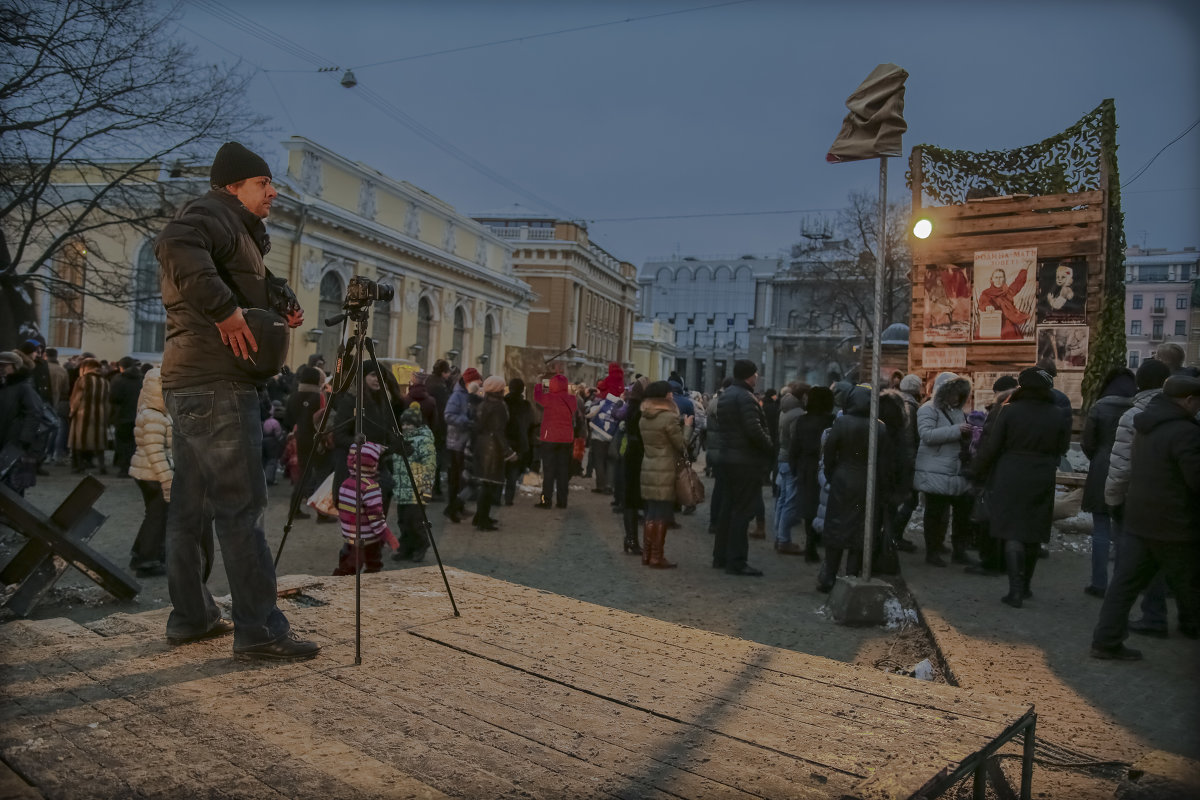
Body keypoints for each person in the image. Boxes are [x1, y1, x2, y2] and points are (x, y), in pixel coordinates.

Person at [154, 140, 317, 660]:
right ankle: (260, 630)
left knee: (190, 508)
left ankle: (192, 617)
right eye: (263, 184)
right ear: (232, 186)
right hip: (217, 382)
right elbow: (176, 245)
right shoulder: (207, 213)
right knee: (240, 508)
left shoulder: (239, 232)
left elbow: (241, 278)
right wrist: (227, 312)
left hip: (194, 379)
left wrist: (279, 296)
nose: (273, 192)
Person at [1091, 375, 1200, 659]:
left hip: (1139, 518)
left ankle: (1106, 641)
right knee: (1191, 588)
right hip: (1175, 524)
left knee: (1124, 585)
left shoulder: (1145, 425)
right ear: (1189, 400)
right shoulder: (1186, 432)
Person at [971, 367, 1070, 608]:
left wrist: (977, 471)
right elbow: (1063, 447)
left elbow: (993, 445)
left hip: (1010, 472)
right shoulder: (1058, 414)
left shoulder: (1009, 410)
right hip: (1042, 474)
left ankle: (1014, 589)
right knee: (1033, 531)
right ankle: (1025, 588)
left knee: (1012, 529)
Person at [1103, 358, 1173, 636]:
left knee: (1129, 567)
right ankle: (1171, 618)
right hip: (1174, 502)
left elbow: (1121, 466)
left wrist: (1113, 501)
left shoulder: (1134, 416)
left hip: (1138, 501)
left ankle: (1114, 630)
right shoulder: (1186, 413)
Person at [818, 385, 892, 590]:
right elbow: (884, 462)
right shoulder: (880, 427)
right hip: (868, 483)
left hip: (843, 480)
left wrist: (832, 475)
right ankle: (850, 576)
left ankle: (828, 576)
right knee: (861, 530)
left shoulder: (841, 422)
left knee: (836, 526)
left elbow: (829, 452)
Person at [1080, 367, 1136, 598]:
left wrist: (1099, 457)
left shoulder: (1099, 407)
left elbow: (1087, 442)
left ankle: (1099, 583)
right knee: (1123, 531)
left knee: (1101, 529)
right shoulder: (1137, 408)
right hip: (1131, 470)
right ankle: (1122, 585)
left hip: (1102, 468)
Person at [713, 360, 772, 576]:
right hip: (745, 461)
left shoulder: (727, 394)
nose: (757, 378)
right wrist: (769, 445)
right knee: (742, 511)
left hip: (728, 458)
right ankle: (736, 560)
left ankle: (720, 555)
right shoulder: (746, 397)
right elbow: (754, 430)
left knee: (727, 508)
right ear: (750, 376)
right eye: (756, 374)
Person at [914, 372, 974, 566]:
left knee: (962, 513)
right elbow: (926, 435)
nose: (956, 397)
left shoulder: (957, 411)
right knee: (935, 513)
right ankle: (932, 551)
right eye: (953, 392)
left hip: (955, 470)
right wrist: (958, 431)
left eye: (959, 393)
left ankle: (959, 550)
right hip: (936, 471)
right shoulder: (927, 409)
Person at [126, 368, 173, 577]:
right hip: (153, 474)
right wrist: (167, 480)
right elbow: (156, 454)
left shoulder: (149, 412)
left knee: (153, 515)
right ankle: (147, 560)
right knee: (158, 516)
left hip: (145, 472)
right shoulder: (154, 416)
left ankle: (141, 553)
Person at [638, 381, 687, 569]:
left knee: (651, 513)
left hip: (649, 466)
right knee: (662, 514)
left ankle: (647, 554)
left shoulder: (644, 417)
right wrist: (688, 427)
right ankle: (657, 556)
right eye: (670, 393)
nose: (672, 396)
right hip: (665, 468)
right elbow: (681, 444)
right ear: (664, 396)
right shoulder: (668, 418)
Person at [333, 442, 399, 575]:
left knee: (349, 563)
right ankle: (369, 590)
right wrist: (388, 537)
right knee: (372, 566)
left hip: (350, 536)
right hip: (368, 539)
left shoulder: (346, 483)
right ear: (374, 465)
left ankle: (339, 584)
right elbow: (376, 519)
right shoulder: (370, 487)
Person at [790, 386, 835, 563]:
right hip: (826, 468)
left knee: (809, 509)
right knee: (825, 507)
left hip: (806, 468)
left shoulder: (802, 421)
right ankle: (822, 543)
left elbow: (795, 447)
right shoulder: (831, 421)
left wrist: (795, 468)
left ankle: (810, 546)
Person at [391, 403, 437, 562]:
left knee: (416, 521)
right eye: (403, 424)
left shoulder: (423, 440)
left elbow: (429, 465)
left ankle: (421, 545)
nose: (406, 427)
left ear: (417, 424)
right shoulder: (401, 440)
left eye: (409, 423)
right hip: (402, 488)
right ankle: (406, 547)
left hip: (417, 489)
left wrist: (425, 486)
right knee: (403, 521)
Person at [472, 376, 516, 531]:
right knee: (488, 485)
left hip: (482, 445)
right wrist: (508, 452)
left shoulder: (483, 404)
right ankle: (483, 520)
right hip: (492, 449)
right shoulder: (499, 406)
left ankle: (481, 516)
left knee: (485, 484)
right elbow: (498, 431)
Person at [0, 351, 46, 493]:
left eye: (4, 365)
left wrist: (24, 439)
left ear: (15, 367)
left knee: (13, 486)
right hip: (3, 441)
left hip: (14, 444)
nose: (0, 368)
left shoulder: (24, 387)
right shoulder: (3, 386)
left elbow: (34, 413)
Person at [891, 374, 924, 552]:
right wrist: (912, 461)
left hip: (897, 459)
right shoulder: (911, 407)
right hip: (906, 460)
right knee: (910, 499)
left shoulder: (896, 401)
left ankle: (892, 534)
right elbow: (909, 438)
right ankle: (895, 535)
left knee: (901, 498)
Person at [443, 366, 481, 522]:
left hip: (464, 442)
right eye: (477, 381)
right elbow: (448, 415)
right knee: (456, 478)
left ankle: (458, 507)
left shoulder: (468, 395)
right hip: (456, 443)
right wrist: (467, 422)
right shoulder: (457, 396)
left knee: (462, 478)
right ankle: (452, 509)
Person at [534, 372, 576, 509]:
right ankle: (562, 501)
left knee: (548, 471)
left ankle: (545, 500)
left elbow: (537, 395)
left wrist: (542, 382)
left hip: (549, 438)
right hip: (566, 439)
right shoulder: (571, 399)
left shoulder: (549, 398)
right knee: (563, 471)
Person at [618, 378, 649, 556]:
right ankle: (634, 541)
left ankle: (630, 539)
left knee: (630, 499)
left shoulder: (630, 407)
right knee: (638, 498)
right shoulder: (643, 410)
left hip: (630, 452)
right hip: (640, 453)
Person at [772, 390, 805, 555]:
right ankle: (784, 539)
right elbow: (796, 440)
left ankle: (779, 536)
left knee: (782, 499)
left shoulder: (783, 413)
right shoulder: (797, 415)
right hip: (791, 461)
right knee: (790, 501)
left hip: (782, 458)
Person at [68, 357, 109, 474]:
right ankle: (102, 466)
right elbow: (107, 401)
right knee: (99, 441)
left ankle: (79, 466)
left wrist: (72, 411)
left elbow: (76, 398)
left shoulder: (82, 380)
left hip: (83, 415)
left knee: (79, 440)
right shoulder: (104, 382)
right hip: (100, 415)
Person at [108, 356, 143, 477]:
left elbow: (113, 398)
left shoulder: (118, 379)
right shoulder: (142, 379)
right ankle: (134, 467)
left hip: (122, 415)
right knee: (134, 443)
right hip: (139, 415)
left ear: (121, 367)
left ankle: (124, 467)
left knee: (122, 443)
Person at [502, 378, 534, 506]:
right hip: (520, 442)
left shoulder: (503, 402)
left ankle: (496, 496)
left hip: (504, 441)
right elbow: (531, 423)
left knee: (500, 469)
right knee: (513, 473)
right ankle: (509, 498)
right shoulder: (526, 405)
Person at [424, 359, 452, 499]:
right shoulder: (440, 387)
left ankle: (429, 488)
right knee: (436, 459)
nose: (449, 376)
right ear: (443, 372)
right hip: (437, 427)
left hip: (429, 425)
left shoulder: (429, 381)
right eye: (448, 373)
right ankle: (434, 490)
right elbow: (443, 410)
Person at [977, 267, 1030, 340]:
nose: (998, 280)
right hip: (991, 324)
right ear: (992, 279)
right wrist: (988, 306)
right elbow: (984, 301)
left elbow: (1018, 283)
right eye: (996, 277)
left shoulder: (1008, 292)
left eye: (1000, 277)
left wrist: (1025, 269)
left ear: (1004, 279)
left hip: (1008, 327)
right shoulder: (986, 293)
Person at [45, 348, 70, 464]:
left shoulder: (41, 368)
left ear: (45, 355)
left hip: (42, 402)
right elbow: (66, 389)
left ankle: (45, 454)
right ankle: (56, 454)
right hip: (57, 402)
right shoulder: (62, 370)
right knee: (58, 430)